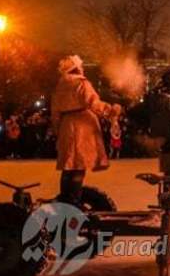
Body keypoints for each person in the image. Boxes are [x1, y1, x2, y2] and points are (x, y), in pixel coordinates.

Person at [51, 55, 121, 205]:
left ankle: (65, 198)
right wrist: (111, 110)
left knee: (68, 167)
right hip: (82, 127)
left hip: (66, 126)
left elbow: (55, 112)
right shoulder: (81, 83)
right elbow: (93, 102)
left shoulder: (60, 85)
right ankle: (74, 201)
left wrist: (58, 130)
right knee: (79, 166)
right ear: (76, 68)